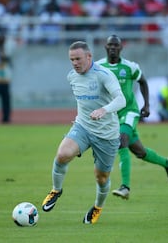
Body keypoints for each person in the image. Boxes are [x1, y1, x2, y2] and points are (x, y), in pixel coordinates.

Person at [41, 41, 126, 224]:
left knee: (101, 177)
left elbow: (121, 100)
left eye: (78, 58)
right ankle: (56, 190)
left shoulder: (104, 75)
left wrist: (104, 110)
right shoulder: (72, 76)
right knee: (62, 154)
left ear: (89, 57)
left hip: (107, 135)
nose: (75, 63)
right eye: (71, 59)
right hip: (83, 127)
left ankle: (97, 207)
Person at [96, 34, 168, 200]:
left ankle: (125, 187)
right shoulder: (98, 67)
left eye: (116, 45)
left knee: (121, 139)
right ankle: (167, 163)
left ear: (121, 48)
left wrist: (146, 104)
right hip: (112, 115)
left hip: (129, 111)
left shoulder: (129, 67)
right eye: (110, 45)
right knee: (139, 151)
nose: (112, 48)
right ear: (105, 47)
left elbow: (143, 81)